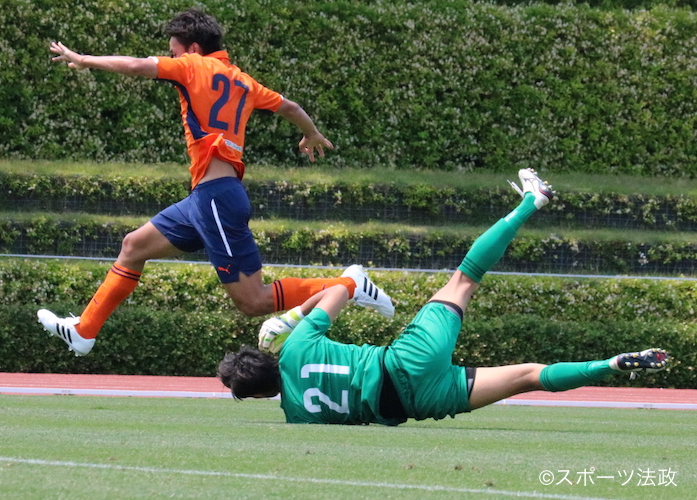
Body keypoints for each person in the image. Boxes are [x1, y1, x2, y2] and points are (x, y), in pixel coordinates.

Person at [37, 9, 394, 355]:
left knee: (254, 301)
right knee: (134, 246)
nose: (169, 57)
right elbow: (291, 107)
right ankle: (84, 331)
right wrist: (311, 134)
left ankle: (349, 285)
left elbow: (135, 66)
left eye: (173, 51)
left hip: (215, 200)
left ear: (192, 49)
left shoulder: (192, 65)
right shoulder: (243, 80)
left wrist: (84, 59)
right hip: (203, 200)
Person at [218, 169, 670, 425]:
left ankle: (610, 366)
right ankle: (533, 200)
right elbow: (340, 287)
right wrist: (291, 318)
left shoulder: (297, 416)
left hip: (418, 403)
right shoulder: (297, 346)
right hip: (404, 361)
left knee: (530, 376)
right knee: (466, 277)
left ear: (259, 397)